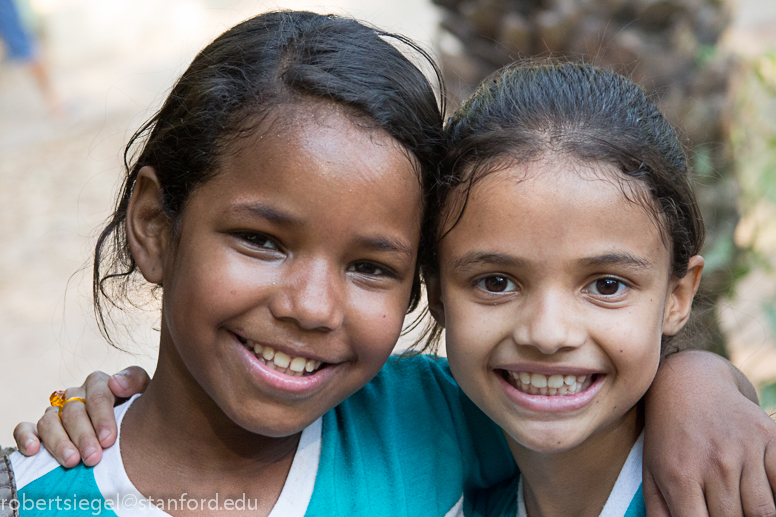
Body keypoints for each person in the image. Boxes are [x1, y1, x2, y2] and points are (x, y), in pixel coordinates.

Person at [6, 15, 776, 517]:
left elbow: (591, 406)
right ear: (154, 224)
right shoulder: (41, 493)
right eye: (262, 240)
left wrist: (696, 380)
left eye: (371, 265)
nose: (311, 305)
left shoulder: (426, 419)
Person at [421, 61, 748, 516]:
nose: (549, 334)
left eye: (607, 285)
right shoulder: (453, 493)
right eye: (496, 283)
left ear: (677, 299)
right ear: (437, 294)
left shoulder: (742, 487)